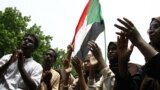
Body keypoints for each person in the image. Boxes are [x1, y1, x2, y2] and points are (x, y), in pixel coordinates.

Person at [114, 17, 160, 90]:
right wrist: (122, 62)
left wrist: (139, 41)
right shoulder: (145, 70)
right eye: (150, 28)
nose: (151, 31)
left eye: (156, 26)